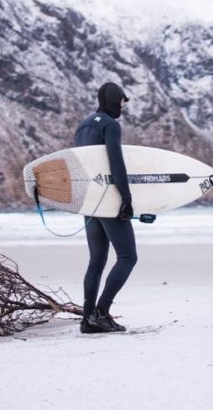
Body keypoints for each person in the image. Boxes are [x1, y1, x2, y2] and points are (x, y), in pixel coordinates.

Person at [74, 82, 137, 333]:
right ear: (114, 99)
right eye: (122, 99)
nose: (123, 105)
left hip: (90, 201)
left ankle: (87, 319)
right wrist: (127, 198)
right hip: (108, 200)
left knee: (96, 261)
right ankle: (102, 312)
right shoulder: (111, 125)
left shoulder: (83, 126)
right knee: (127, 257)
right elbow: (116, 163)